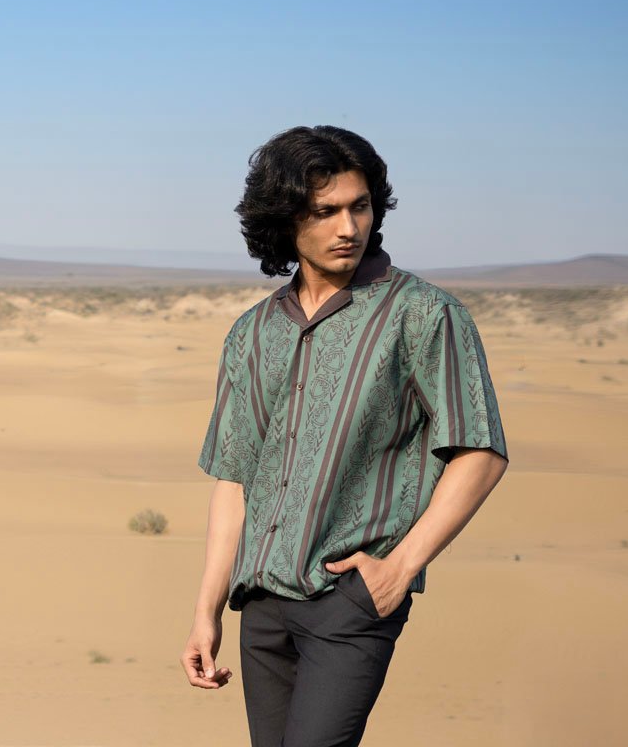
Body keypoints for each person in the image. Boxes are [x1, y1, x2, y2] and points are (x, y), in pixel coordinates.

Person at [179, 125, 510, 747]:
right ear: (285, 220)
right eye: (324, 211)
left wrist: (400, 569)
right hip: (262, 607)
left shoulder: (424, 313)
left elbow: (481, 451)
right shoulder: (251, 333)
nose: (348, 227)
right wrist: (206, 612)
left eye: (360, 206)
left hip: (349, 601)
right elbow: (235, 480)